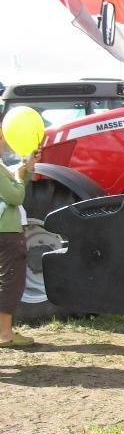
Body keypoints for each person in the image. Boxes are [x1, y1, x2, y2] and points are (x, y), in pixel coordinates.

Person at [0, 140, 36, 348]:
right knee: (11, 281)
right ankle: (5, 333)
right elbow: (15, 197)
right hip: (7, 231)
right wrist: (20, 178)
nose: (2, 142)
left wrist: (26, 170)